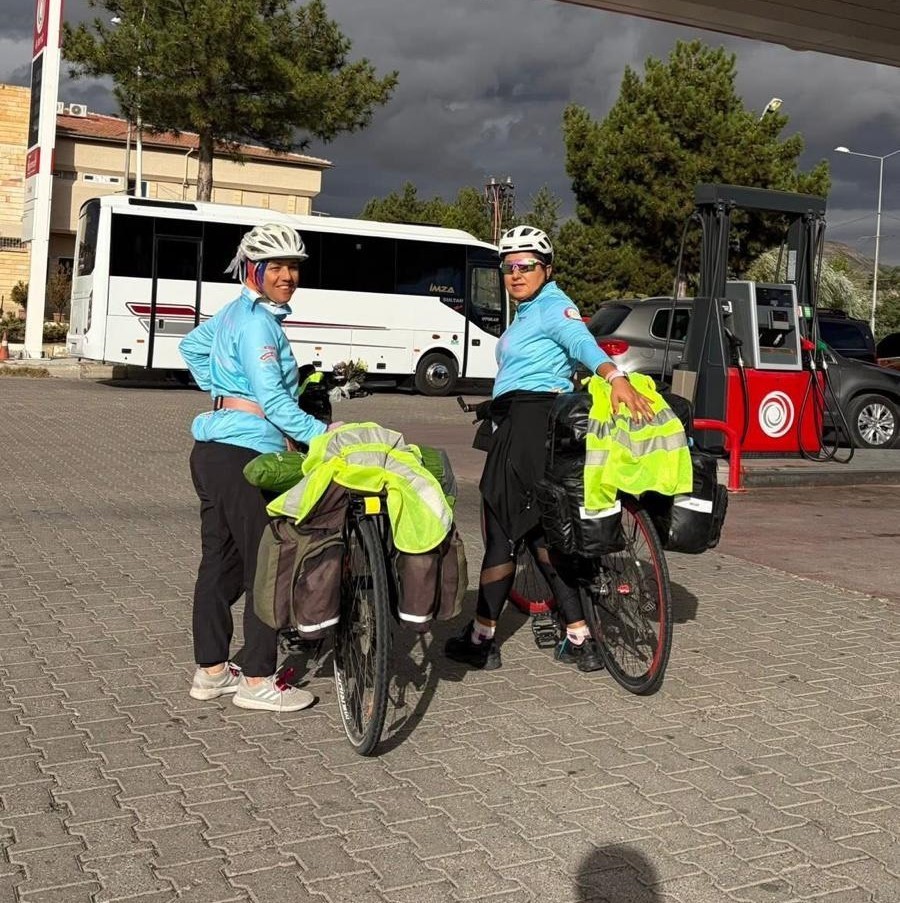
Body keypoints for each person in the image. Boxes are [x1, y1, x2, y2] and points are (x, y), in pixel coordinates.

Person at [444, 225, 654, 672]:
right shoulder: (530, 310)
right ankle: (580, 638)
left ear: (548, 270)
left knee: (502, 535)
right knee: (541, 533)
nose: (515, 274)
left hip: (528, 426)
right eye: (509, 266)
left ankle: (481, 638)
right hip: (528, 422)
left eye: (526, 266)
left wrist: (613, 376)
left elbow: (581, 343)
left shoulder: (554, 306)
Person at [179, 222, 332, 712]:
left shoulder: (232, 315)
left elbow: (191, 348)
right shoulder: (258, 324)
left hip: (211, 451)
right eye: (277, 267)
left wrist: (222, 390)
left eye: (294, 267)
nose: (288, 275)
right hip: (247, 455)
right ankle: (258, 679)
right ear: (252, 268)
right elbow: (275, 401)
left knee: (221, 561)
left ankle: (211, 672)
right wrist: (325, 438)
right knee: (268, 564)